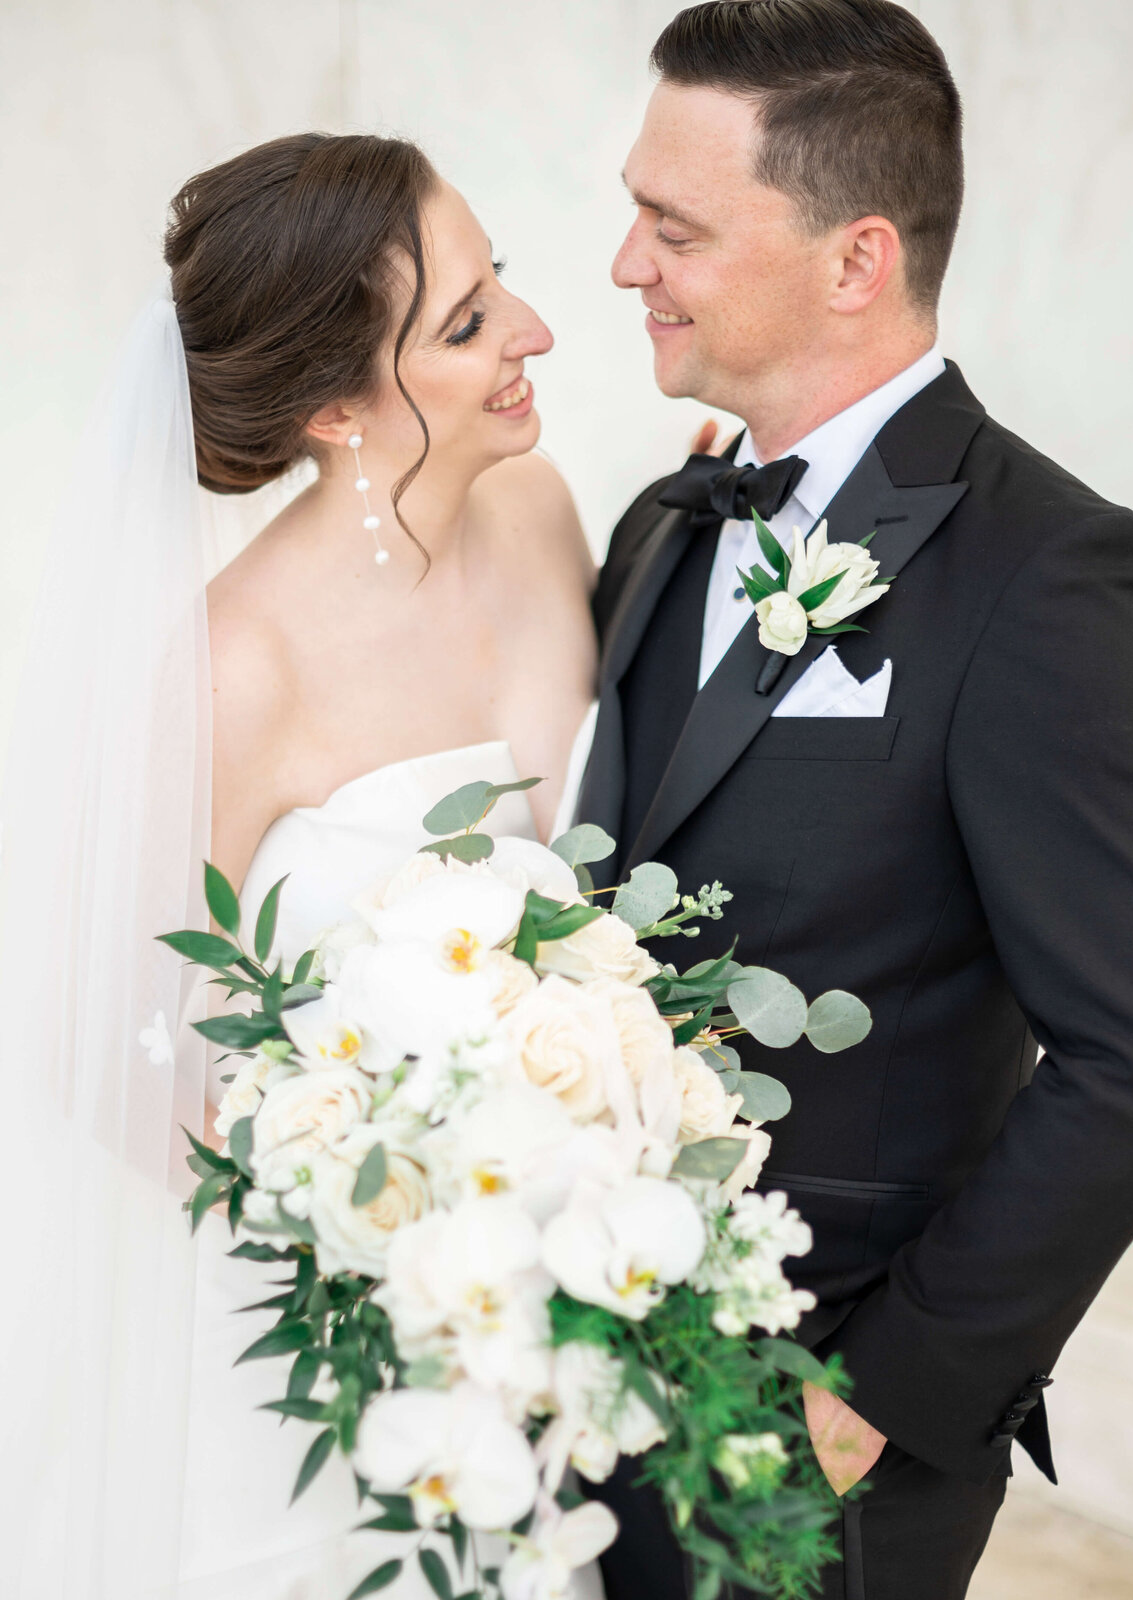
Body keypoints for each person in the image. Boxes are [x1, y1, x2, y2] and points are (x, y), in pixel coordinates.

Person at [577, 3, 1133, 1597]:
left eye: (675, 226)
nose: (625, 265)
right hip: (580, 1361)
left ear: (856, 258)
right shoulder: (668, 519)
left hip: (818, 1420)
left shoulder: (1056, 573)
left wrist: (880, 1399)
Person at [0, 132, 598, 1600]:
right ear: (336, 405)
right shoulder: (234, 668)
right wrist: (372, 1235)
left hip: (529, 1313)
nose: (533, 331)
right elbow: (104, 1051)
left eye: (498, 279)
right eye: (463, 324)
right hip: (321, 1340)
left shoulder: (539, 514)